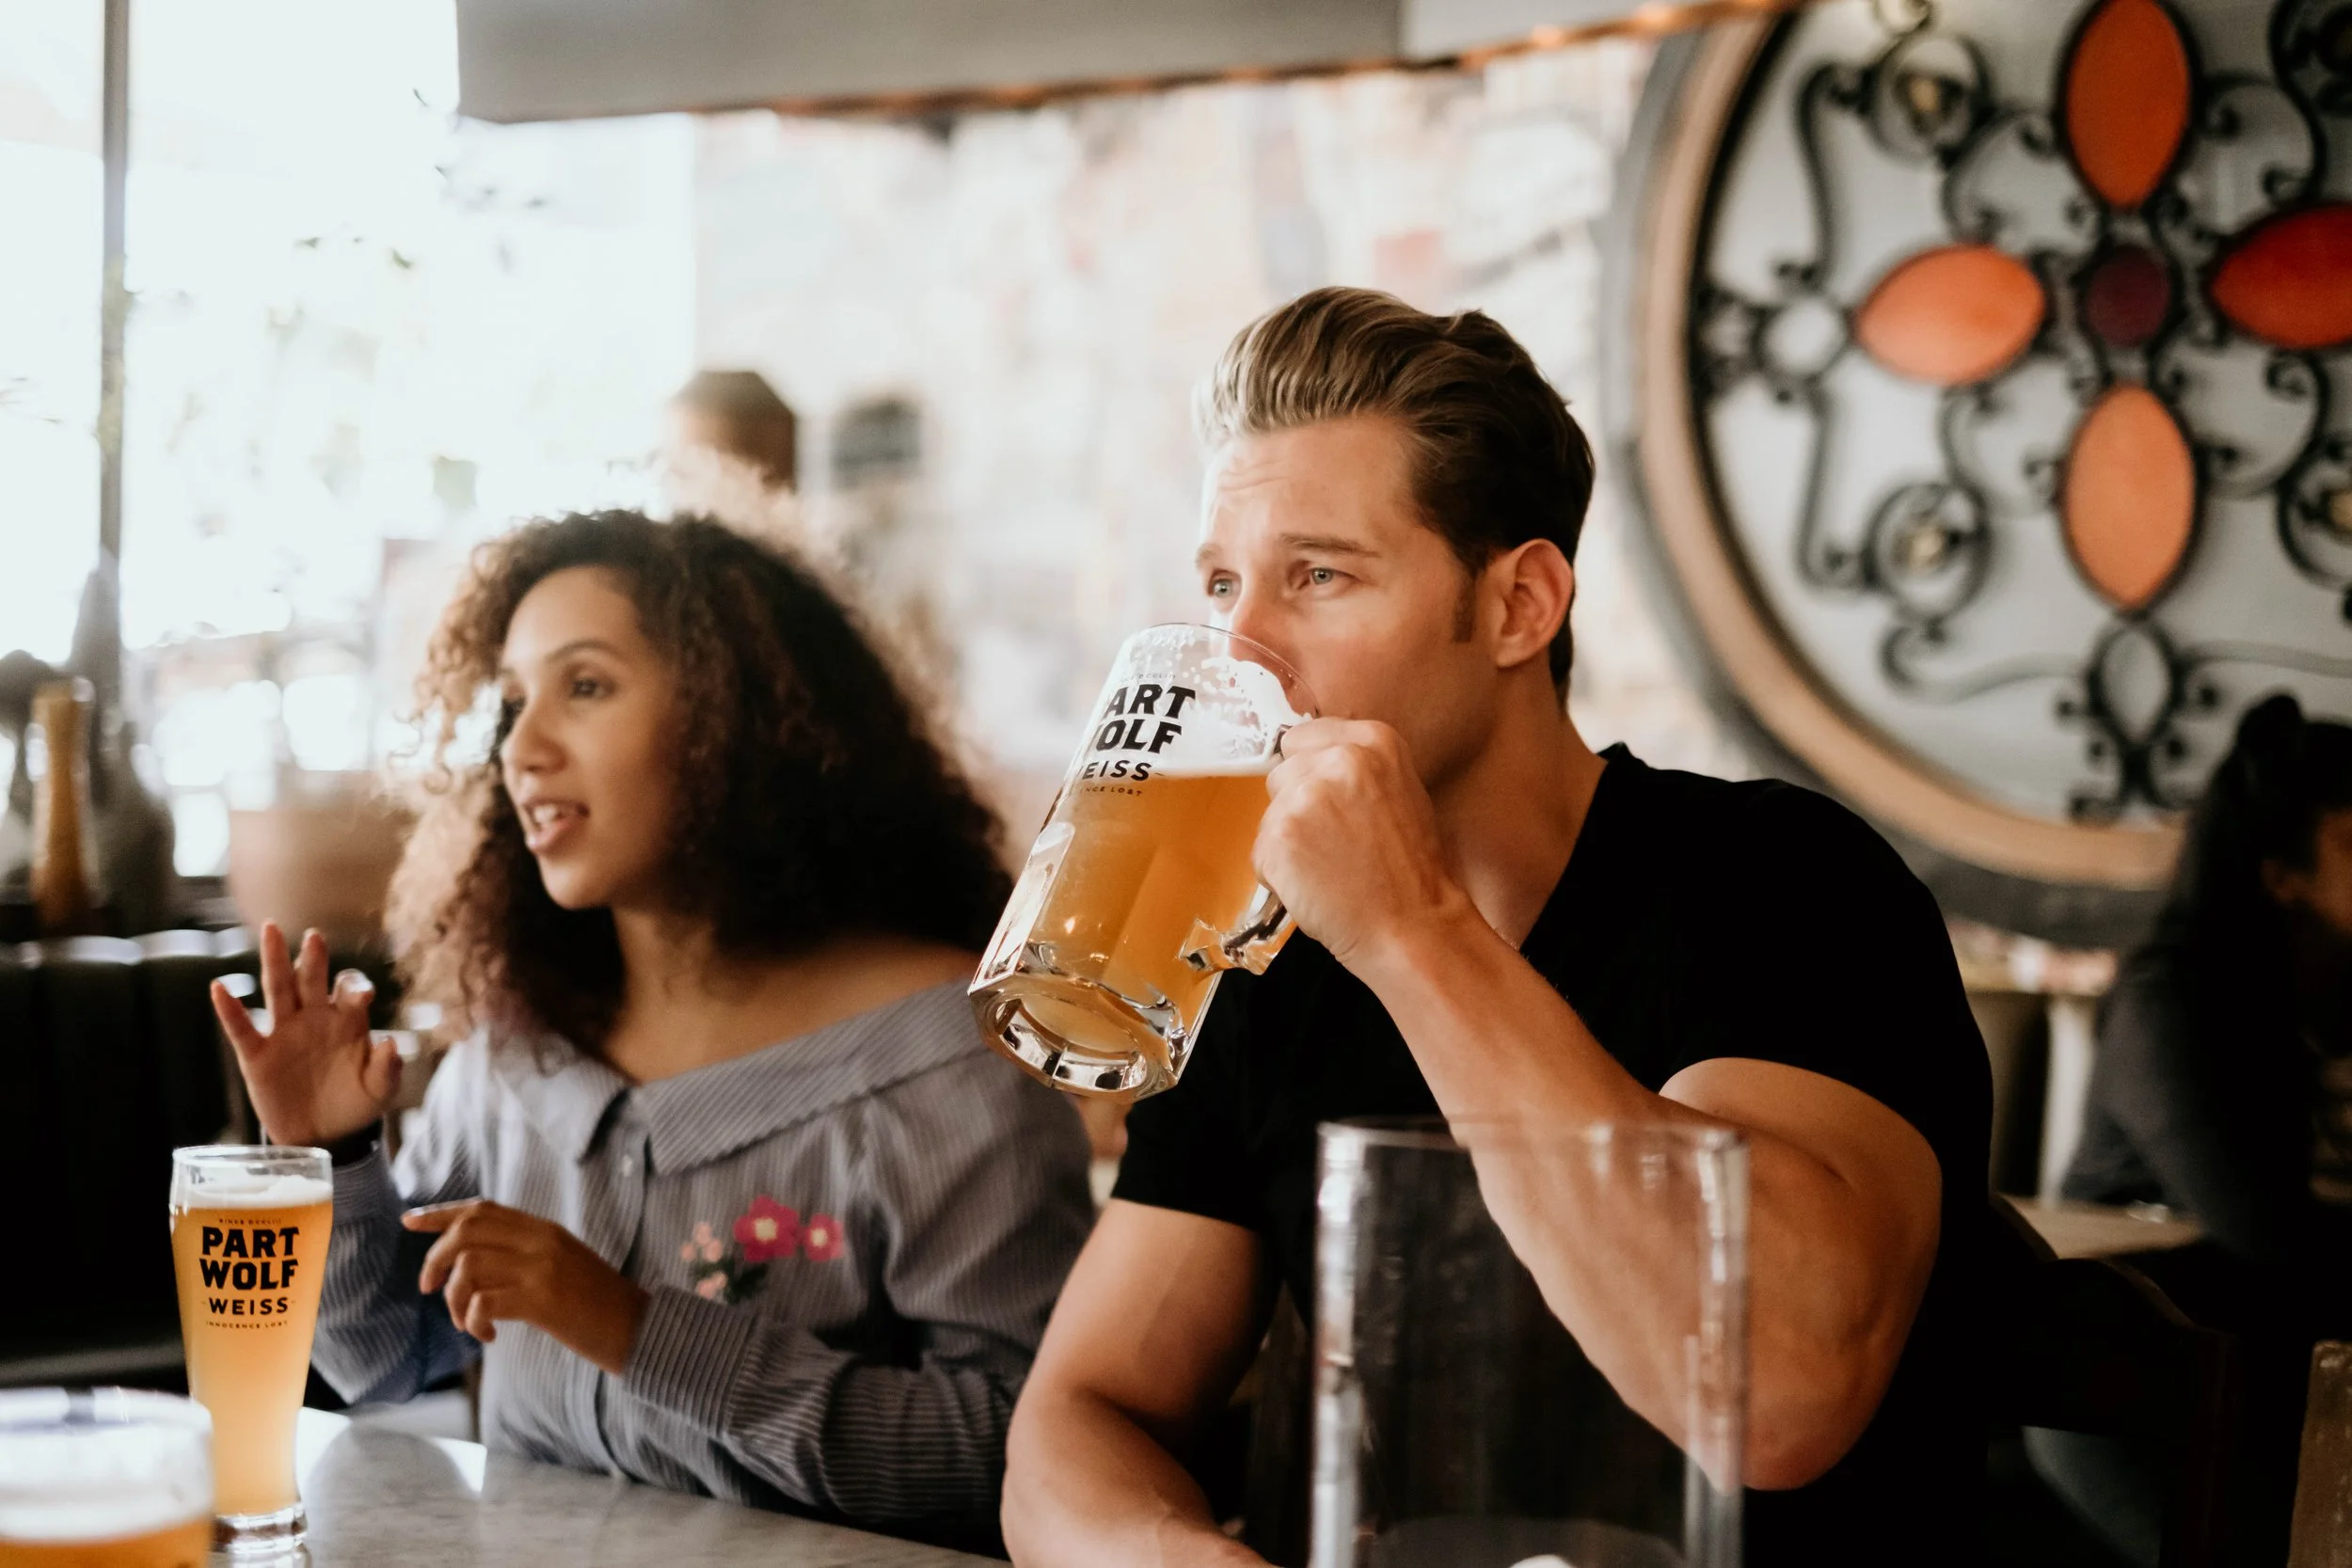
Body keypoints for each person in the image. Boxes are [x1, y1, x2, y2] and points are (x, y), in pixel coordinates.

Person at [999, 288, 1989, 1568]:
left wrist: (1411, 929)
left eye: (1319, 575)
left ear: (1520, 605)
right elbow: (1081, 1414)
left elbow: (1777, 1392)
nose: (1239, 649)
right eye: (1224, 584)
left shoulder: (1784, 881)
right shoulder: (1263, 954)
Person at [209, 511, 1092, 1552]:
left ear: (742, 717)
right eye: (512, 704)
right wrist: (338, 1156)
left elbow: (1009, 1451)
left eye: (585, 686)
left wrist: (634, 1329)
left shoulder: (950, 1059)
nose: (523, 751)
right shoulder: (510, 1055)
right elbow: (383, 1359)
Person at [2040, 692, 2352, 1565]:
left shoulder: (2335, 1007)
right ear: (2279, 871)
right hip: (2115, 1378)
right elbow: (2271, 1236)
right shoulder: (2170, 1003)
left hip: (2285, 1367)